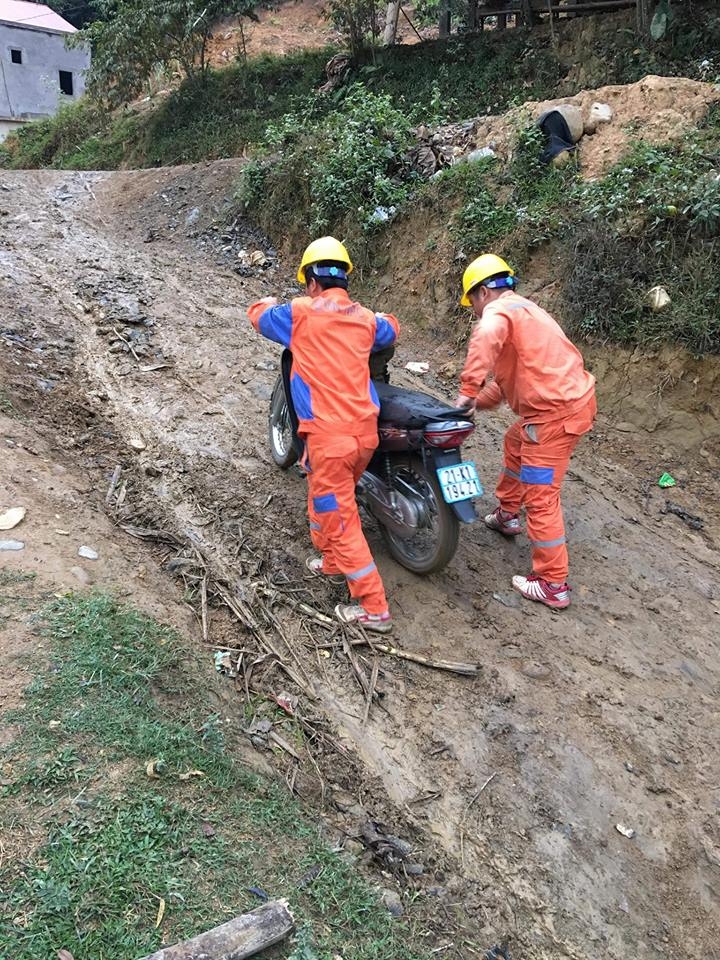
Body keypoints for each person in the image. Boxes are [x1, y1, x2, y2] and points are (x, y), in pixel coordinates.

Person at [248, 236, 399, 633]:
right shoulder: (366, 319)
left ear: (311, 281)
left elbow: (259, 316)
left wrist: (264, 301)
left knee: (341, 519)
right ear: (344, 279)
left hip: (329, 436)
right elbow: (391, 330)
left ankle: (373, 606)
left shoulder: (300, 313)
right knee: (329, 496)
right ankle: (332, 560)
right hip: (363, 435)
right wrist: (385, 316)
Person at [455, 254, 596, 610]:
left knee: (542, 494)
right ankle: (506, 514)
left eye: (472, 301)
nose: (473, 310)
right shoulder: (526, 313)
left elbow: (485, 333)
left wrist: (467, 390)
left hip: (553, 417)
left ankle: (552, 584)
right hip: (567, 405)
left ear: (484, 291)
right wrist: (476, 403)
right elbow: (507, 385)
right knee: (514, 440)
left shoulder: (498, 314)